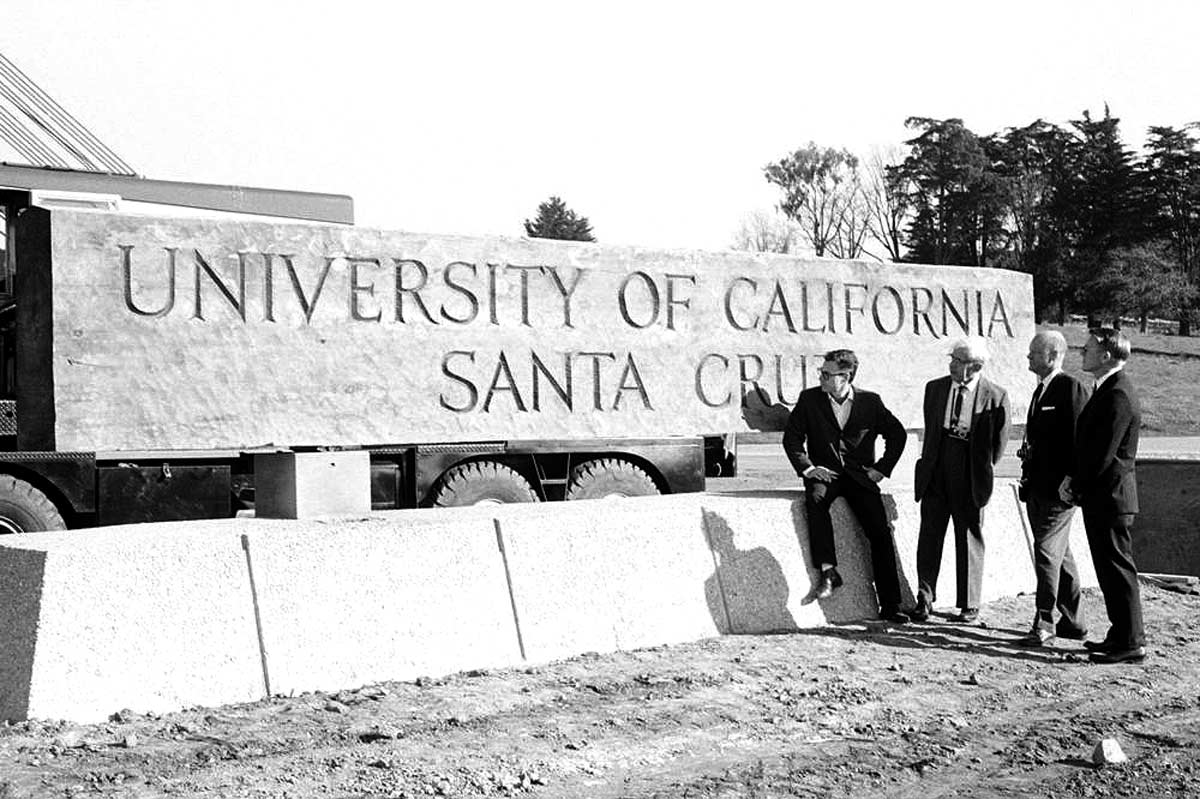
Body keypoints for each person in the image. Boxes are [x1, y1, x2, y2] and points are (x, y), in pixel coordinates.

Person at [782, 349, 910, 623]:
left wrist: (881, 470)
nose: (822, 378)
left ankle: (890, 605)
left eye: (828, 375)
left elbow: (897, 435)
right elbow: (792, 439)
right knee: (815, 502)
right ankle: (829, 572)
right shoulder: (809, 399)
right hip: (825, 475)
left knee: (880, 531)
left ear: (846, 376)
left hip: (860, 477)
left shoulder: (870, 402)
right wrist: (809, 468)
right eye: (822, 373)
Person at [1060, 327, 1145, 664]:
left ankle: (1131, 642)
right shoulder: (1107, 388)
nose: (1083, 351)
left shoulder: (1118, 394)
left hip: (1111, 498)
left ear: (1107, 354)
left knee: (1118, 569)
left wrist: (1075, 485)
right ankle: (1120, 635)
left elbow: (1103, 454)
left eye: (1089, 348)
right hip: (1103, 497)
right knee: (1110, 569)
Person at [911, 336, 1010, 623]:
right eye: (952, 359)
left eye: (958, 360)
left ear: (975, 366)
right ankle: (925, 598)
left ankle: (969, 604)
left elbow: (998, 445)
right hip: (935, 468)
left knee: (968, 536)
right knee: (930, 534)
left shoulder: (996, 395)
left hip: (970, 472)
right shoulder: (935, 388)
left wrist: (980, 469)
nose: (952, 365)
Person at [1017, 330, 1089, 645]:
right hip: (1037, 488)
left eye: (1034, 353)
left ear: (1051, 355)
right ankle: (1074, 622)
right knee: (1061, 555)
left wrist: (1071, 481)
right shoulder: (1040, 391)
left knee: (1046, 552)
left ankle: (1043, 621)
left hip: (1058, 492)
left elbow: (1081, 441)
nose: (1028, 357)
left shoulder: (1069, 388)